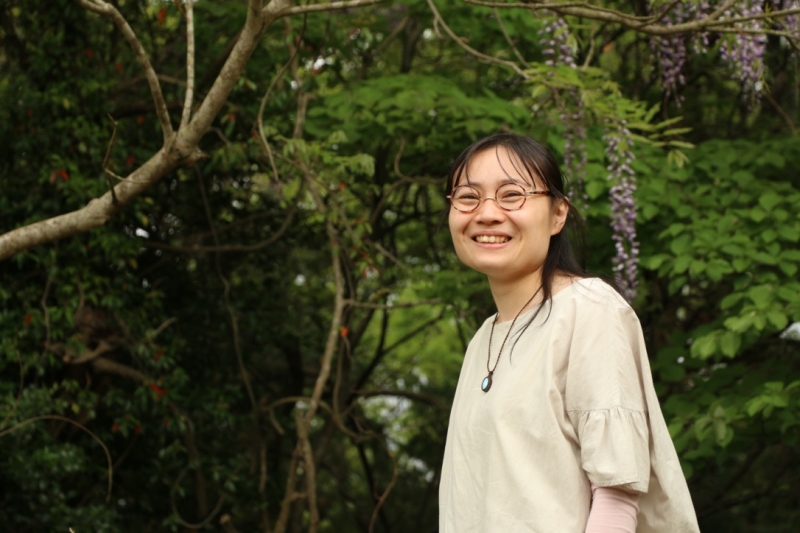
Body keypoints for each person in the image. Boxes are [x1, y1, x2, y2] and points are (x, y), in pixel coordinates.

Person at [438, 133, 700, 532]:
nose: (487, 213)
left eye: (512, 195)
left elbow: (616, 495)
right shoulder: (483, 339)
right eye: (468, 197)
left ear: (558, 214)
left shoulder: (589, 310)